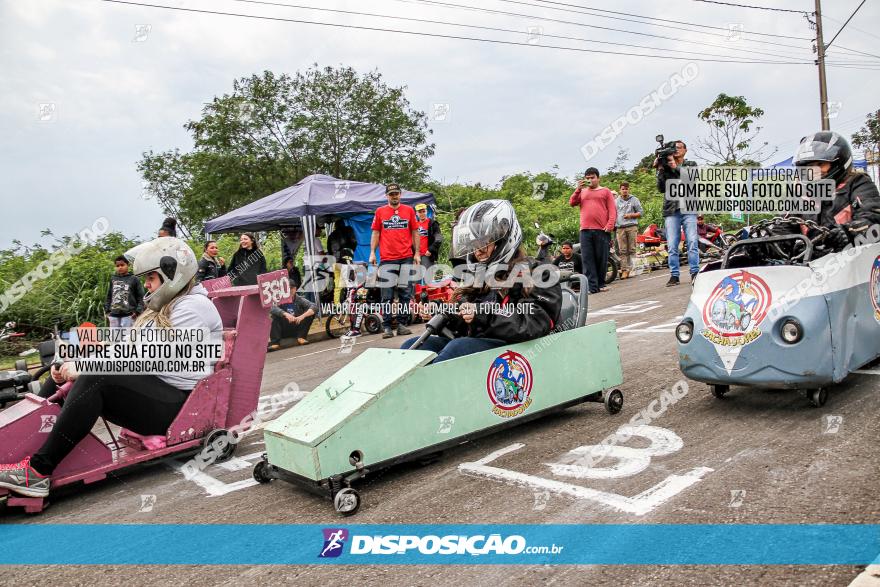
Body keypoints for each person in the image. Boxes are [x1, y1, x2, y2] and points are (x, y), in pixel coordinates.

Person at [0, 237, 222, 498]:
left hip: (179, 408)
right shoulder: (167, 306)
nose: (147, 286)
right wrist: (72, 364)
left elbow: (147, 357)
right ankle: (9, 447)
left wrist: (84, 367)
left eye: (151, 278)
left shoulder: (192, 307)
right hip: (159, 393)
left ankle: (37, 472)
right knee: (61, 374)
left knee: (96, 376)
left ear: (172, 273)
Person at [400, 199, 561, 363]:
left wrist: (482, 314)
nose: (478, 251)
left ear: (503, 239)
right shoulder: (478, 277)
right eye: (473, 245)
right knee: (413, 346)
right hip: (480, 345)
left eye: (484, 243)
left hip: (516, 350)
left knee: (458, 348)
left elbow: (537, 324)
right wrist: (442, 313)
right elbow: (462, 327)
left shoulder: (539, 273)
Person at [792, 131, 880, 250]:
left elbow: (873, 217)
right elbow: (782, 229)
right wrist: (764, 246)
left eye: (820, 164)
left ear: (838, 163)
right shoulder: (800, 195)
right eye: (809, 166)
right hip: (810, 263)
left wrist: (847, 233)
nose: (814, 170)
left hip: (852, 259)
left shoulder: (858, 183)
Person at [370, 183, 420, 338]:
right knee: (387, 294)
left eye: (396, 193)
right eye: (391, 194)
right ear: (387, 196)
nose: (394, 196)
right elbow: (376, 233)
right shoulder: (380, 211)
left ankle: (402, 324)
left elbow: (415, 231)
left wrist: (417, 253)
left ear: (400, 194)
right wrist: (372, 252)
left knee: (405, 293)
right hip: (387, 258)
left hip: (406, 257)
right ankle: (386, 327)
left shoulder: (409, 210)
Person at [655, 140, 699, 286]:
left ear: (685, 150)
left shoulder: (690, 165)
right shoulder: (666, 168)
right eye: (674, 148)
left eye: (679, 148)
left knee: (692, 241)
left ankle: (695, 272)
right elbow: (661, 188)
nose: (676, 150)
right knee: (672, 245)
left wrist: (675, 166)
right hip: (671, 210)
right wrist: (661, 169)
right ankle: (674, 275)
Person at [569, 167, 617, 294]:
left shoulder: (605, 191)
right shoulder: (582, 192)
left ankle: (601, 284)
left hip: (602, 230)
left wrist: (610, 225)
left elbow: (612, 210)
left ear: (598, 178)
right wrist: (577, 189)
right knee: (587, 259)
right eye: (588, 178)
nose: (590, 180)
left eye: (592, 177)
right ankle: (592, 287)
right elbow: (572, 202)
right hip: (585, 230)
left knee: (601, 258)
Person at [267, 279, 317, 350]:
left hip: (296, 328)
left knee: (310, 314)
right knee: (274, 316)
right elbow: (271, 308)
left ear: (295, 289)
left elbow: (314, 306)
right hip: (283, 330)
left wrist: (302, 316)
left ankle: (301, 337)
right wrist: (285, 314)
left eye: (291, 288)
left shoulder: (299, 299)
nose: (290, 290)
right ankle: (275, 343)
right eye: (287, 288)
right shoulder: (279, 299)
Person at [104, 255, 145, 327]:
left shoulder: (134, 279)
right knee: (115, 337)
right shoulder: (113, 279)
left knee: (128, 337)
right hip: (113, 315)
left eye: (122, 265)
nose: (120, 267)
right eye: (117, 266)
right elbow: (109, 296)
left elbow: (141, 296)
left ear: (128, 265)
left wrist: (137, 311)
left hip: (129, 315)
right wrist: (107, 311)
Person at [615, 181, 643, 280]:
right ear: (620, 190)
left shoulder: (634, 199)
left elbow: (640, 213)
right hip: (620, 227)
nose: (625, 191)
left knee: (632, 249)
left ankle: (633, 269)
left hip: (632, 226)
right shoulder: (616, 201)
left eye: (626, 189)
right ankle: (624, 270)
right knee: (622, 250)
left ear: (629, 189)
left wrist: (631, 215)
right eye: (623, 189)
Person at [415, 203, 443, 280]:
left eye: (423, 211)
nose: (422, 214)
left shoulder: (432, 224)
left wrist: (431, 249)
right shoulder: (414, 224)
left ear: (426, 212)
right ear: (416, 213)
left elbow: (439, 238)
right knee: (415, 280)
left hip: (427, 255)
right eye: (420, 212)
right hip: (416, 256)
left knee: (427, 279)